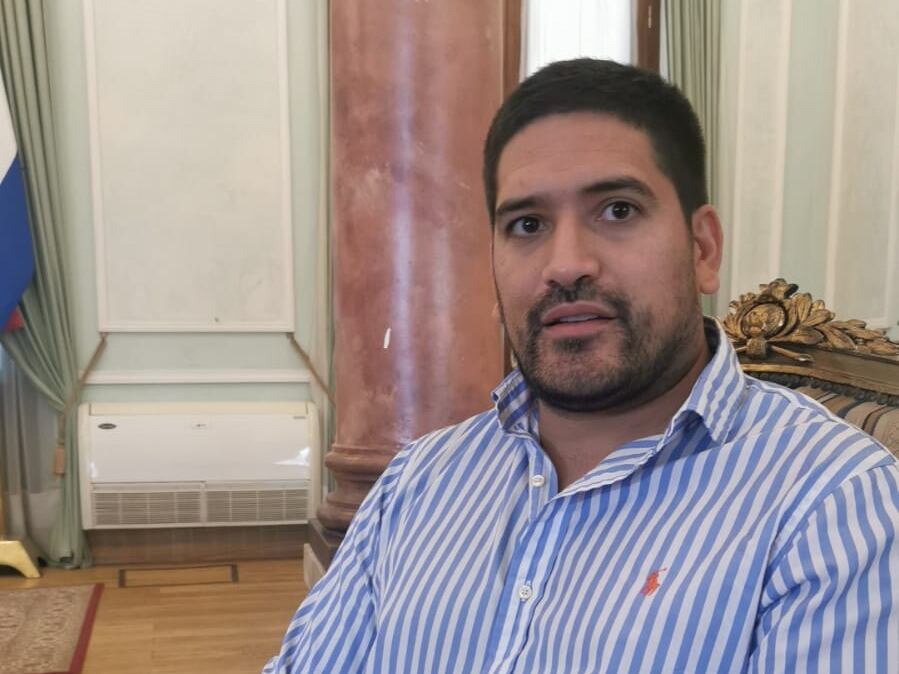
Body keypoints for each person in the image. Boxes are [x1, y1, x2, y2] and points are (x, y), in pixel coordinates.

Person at [264, 59, 899, 674]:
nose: (565, 264)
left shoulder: (834, 505)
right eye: (527, 224)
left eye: (617, 210)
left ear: (702, 248)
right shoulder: (418, 483)